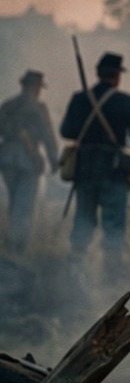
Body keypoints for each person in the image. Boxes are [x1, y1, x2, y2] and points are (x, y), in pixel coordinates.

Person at [59, 52, 130, 278]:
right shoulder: (124, 101)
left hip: (85, 171)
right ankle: (111, 275)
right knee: (114, 226)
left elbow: (66, 131)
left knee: (83, 222)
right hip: (113, 172)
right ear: (117, 76)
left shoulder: (80, 99)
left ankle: (75, 274)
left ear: (98, 73)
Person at [0, 70, 60, 254]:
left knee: (15, 201)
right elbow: (47, 135)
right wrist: (53, 160)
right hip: (27, 159)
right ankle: (16, 244)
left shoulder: (8, 105)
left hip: (6, 158)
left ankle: (12, 241)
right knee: (24, 204)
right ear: (36, 88)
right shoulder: (38, 107)